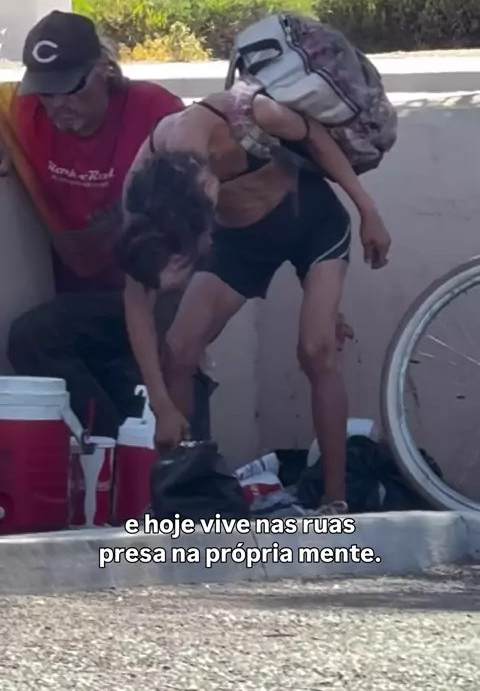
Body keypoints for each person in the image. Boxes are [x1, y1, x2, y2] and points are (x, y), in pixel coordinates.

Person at [117, 84, 392, 514]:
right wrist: (161, 404)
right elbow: (136, 298)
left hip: (311, 221)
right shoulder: (143, 185)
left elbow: (316, 139)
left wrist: (367, 210)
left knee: (316, 349)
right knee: (180, 347)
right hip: (244, 244)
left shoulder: (245, 114)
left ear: (204, 186)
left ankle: (335, 501)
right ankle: (182, 495)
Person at [1, 10, 213, 439]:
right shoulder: (23, 111)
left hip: (156, 288)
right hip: (85, 296)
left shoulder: (154, 111)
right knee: (32, 338)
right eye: (46, 92)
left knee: (165, 360)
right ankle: (113, 452)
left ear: (104, 69)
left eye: (70, 88)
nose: (58, 105)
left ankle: (183, 463)